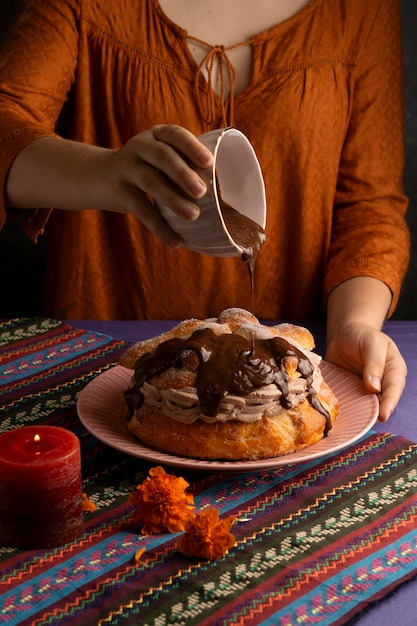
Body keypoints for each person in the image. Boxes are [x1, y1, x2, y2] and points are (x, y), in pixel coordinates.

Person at [0, 0, 410, 422]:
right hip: (96, 361)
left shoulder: (362, 10)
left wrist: (353, 326)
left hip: (292, 384)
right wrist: (105, 171)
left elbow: (368, 208)